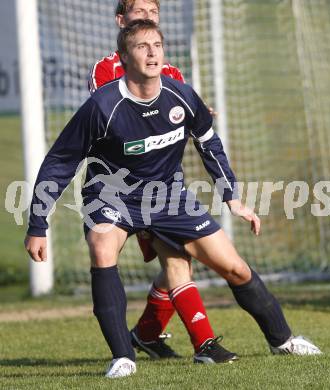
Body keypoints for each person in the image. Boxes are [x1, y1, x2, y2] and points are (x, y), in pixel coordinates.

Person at [25, 20, 321, 379]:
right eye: (141, 47)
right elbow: (60, 161)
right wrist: (38, 225)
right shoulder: (103, 106)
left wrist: (232, 197)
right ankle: (123, 358)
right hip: (111, 195)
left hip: (167, 196)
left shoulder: (181, 95)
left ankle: (283, 340)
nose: (151, 53)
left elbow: (208, 142)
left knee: (234, 267)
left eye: (157, 46)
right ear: (124, 57)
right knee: (102, 246)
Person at [88, 0, 226, 363]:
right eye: (139, 13)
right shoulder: (105, 69)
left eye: (154, 13)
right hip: (121, 188)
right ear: (121, 20)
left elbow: (181, 114)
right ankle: (191, 344)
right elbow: (115, 117)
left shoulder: (173, 73)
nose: (148, 19)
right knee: (174, 259)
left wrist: (196, 114)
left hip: (163, 184)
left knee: (179, 259)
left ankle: (152, 335)